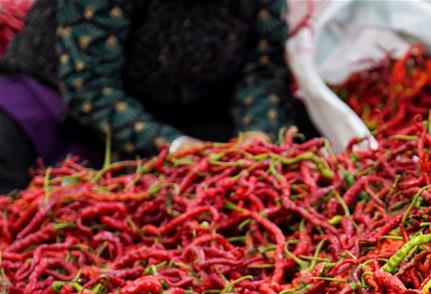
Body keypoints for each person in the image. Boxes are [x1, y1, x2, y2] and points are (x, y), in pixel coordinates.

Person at [0, 0, 306, 194]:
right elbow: (90, 86)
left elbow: (262, 68)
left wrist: (258, 131)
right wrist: (172, 146)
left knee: (250, 179)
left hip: (188, 106)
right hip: (60, 98)